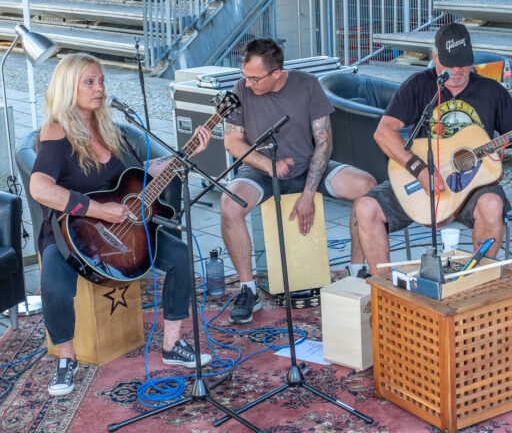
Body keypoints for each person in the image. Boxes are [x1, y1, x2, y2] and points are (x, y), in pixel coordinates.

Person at [29, 53, 214, 396]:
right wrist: (98, 210)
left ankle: (172, 342)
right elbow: (40, 188)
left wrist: (184, 155)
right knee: (54, 283)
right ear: (68, 87)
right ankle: (65, 358)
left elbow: (138, 174)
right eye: (89, 82)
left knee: (181, 255)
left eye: (101, 81)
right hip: (73, 233)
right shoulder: (56, 131)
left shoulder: (109, 127)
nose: (99, 88)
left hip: (127, 229)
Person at [353, 22, 512, 273]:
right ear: (435, 58)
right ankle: (386, 290)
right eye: (450, 64)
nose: (458, 70)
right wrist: (419, 170)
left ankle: (478, 281)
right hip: (422, 182)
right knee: (366, 208)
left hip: (473, 188)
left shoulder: (491, 91)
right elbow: (383, 133)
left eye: (464, 63)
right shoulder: (418, 85)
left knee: (492, 205)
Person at [220, 39, 377, 324]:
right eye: (245, 75)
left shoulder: (308, 85)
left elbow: (324, 143)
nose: (247, 83)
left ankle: (357, 272)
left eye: (254, 78)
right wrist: (270, 164)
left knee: (366, 186)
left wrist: (308, 194)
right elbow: (232, 140)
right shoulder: (241, 89)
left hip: (308, 166)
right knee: (229, 204)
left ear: (276, 73)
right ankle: (248, 289)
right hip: (261, 169)